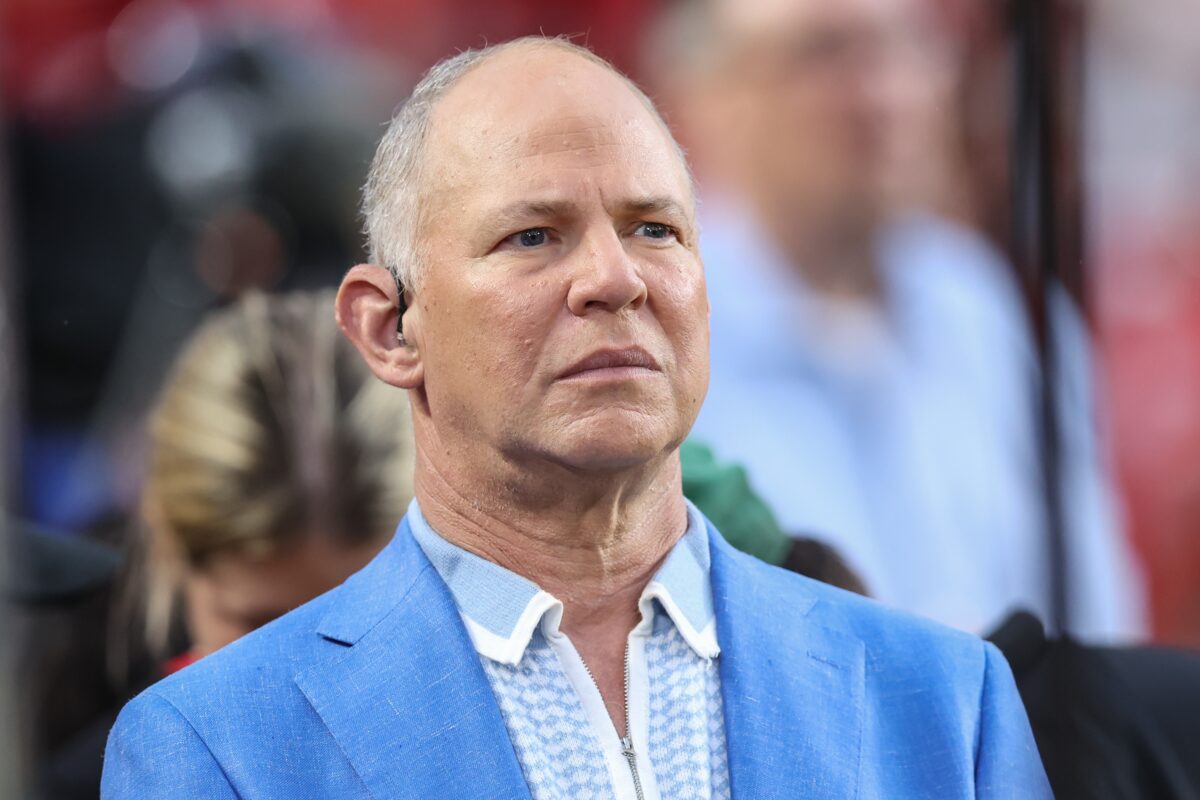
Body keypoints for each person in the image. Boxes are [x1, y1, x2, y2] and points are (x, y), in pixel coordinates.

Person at [102, 37, 1050, 798]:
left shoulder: (946, 704)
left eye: (655, 229)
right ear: (390, 328)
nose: (614, 278)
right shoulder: (216, 745)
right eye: (533, 236)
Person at [652, 0, 1145, 639]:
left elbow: (1099, 613)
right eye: (824, 55)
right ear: (707, 100)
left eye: (908, 50)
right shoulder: (656, 323)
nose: (885, 95)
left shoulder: (987, 309)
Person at [135, 289, 414, 668]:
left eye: (363, 621)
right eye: (264, 632)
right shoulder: (82, 688)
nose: (314, 677)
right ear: (165, 531)